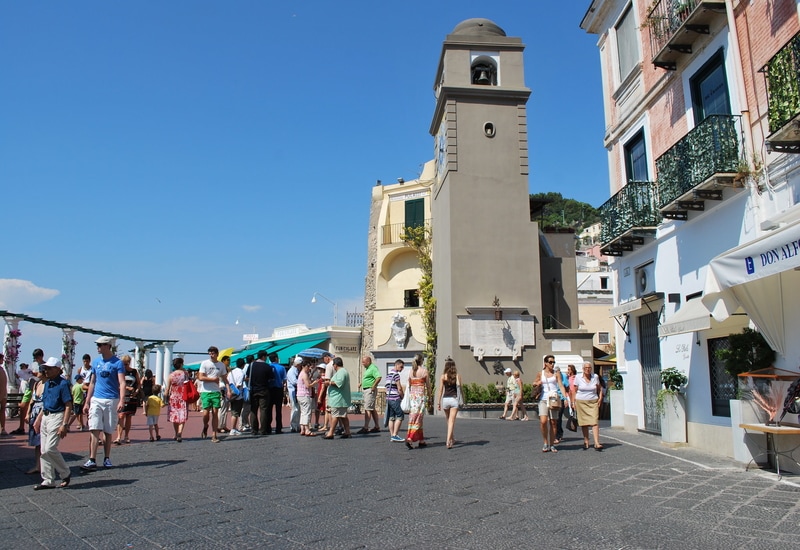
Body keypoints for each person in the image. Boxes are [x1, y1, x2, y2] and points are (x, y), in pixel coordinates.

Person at [81, 336, 126, 471]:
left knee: (108, 430)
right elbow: (92, 382)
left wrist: (122, 400)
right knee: (94, 428)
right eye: (98, 345)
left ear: (107, 346)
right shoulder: (95, 363)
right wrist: (87, 401)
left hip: (111, 399)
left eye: (100, 345)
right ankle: (92, 458)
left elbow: (122, 382)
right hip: (97, 398)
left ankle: (106, 457)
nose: (98, 347)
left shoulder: (117, 363)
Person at [33, 357, 73, 490]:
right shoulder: (48, 383)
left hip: (57, 416)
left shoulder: (63, 384)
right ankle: (48, 479)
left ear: (57, 369)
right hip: (46, 415)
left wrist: (65, 424)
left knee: (50, 448)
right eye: (46, 368)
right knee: (44, 450)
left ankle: (65, 472)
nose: (46, 370)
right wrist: (39, 419)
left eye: (49, 368)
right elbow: (45, 403)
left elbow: (68, 404)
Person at [533, 354, 568, 453]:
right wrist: (537, 383)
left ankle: (552, 444)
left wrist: (565, 398)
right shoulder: (541, 373)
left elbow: (561, 385)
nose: (552, 364)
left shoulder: (556, 373)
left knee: (553, 422)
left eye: (553, 362)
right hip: (543, 399)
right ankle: (545, 442)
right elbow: (534, 383)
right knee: (543, 421)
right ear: (545, 363)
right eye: (550, 362)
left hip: (554, 399)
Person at [571, 361, 604, 451]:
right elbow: (574, 391)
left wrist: (600, 398)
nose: (588, 369)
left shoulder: (595, 377)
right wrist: (573, 403)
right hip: (581, 401)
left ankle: (597, 443)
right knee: (584, 423)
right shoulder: (578, 377)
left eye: (589, 367)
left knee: (594, 422)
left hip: (593, 401)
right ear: (582, 369)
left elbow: (599, 388)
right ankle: (586, 441)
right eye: (586, 368)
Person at [198, 346, 228, 443]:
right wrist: (213, 379)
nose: (211, 355)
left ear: (217, 354)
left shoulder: (221, 365)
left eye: (213, 353)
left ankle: (214, 434)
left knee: (215, 413)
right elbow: (200, 377)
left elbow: (224, 378)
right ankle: (205, 425)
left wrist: (229, 389)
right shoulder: (205, 363)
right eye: (210, 353)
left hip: (216, 391)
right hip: (205, 391)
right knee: (206, 413)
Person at [24, 365, 46, 474]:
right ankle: (38, 465)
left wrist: (39, 417)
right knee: (37, 442)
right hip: (35, 411)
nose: (38, 373)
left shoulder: (48, 385)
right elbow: (32, 401)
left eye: (40, 371)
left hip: (42, 413)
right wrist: (28, 413)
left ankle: (45, 466)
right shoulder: (37, 384)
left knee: (43, 441)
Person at [115, 355, 141, 445]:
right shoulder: (120, 372)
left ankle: (126, 436)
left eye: (126, 364)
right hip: (123, 396)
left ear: (129, 363)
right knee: (121, 416)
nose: (124, 366)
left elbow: (138, 383)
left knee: (129, 416)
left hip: (131, 397)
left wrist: (136, 391)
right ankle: (118, 436)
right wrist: (126, 387)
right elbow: (117, 383)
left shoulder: (134, 371)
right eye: (123, 364)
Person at [323, 357, 352, 439]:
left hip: (338, 398)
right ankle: (347, 432)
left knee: (335, 415)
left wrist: (329, 383)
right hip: (340, 398)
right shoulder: (342, 372)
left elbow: (339, 383)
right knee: (343, 416)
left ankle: (331, 433)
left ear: (335, 365)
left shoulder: (341, 372)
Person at [437, 357, 462, 449]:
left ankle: (452, 438)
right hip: (454, 399)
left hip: (445, 399)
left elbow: (440, 390)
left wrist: (438, 402)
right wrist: (463, 399)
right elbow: (460, 388)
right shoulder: (457, 376)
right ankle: (448, 441)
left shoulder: (443, 376)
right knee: (451, 421)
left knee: (448, 420)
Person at [249, 350, 275, 436]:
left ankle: (254, 429)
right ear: (264, 357)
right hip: (263, 390)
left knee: (253, 410)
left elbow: (248, 377)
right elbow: (271, 378)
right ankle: (263, 429)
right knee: (263, 410)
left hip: (253, 390)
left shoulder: (252, 365)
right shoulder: (267, 366)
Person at [405, 353, 428, 449]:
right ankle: (410, 438)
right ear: (421, 360)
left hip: (413, 396)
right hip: (420, 395)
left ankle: (421, 440)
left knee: (413, 416)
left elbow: (409, 383)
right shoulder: (424, 371)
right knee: (419, 417)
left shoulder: (411, 371)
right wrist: (430, 395)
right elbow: (428, 384)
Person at [357, 355, 382, 434]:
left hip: (370, 390)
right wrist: (361, 383)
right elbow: (368, 378)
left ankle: (366, 427)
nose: (362, 364)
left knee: (367, 408)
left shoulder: (373, 368)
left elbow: (378, 377)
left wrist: (373, 386)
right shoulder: (368, 369)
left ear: (368, 361)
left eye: (363, 362)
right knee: (371, 408)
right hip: (366, 389)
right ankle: (377, 426)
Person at [166, 357, 188, 441]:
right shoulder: (185, 374)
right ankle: (180, 432)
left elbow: (168, 388)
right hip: (183, 396)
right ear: (181, 364)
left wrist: (165, 397)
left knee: (175, 416)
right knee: (182, 415)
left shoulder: (171, 375)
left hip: (173, 397)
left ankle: (176, 433)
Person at [384, 359, 405, 442]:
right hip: (395, 398)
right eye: (401, 367)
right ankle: (395, 435)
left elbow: (386, 387)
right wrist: (402, 396)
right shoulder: (396, 375)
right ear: (397, 365)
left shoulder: (388, 375)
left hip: (388, 398)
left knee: (391, 417)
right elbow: (399, 387)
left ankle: (392, 435)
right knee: (400, 415)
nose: (402, 369)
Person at [267, 353, 286, 434]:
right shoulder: (281, 367)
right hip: (278, 389)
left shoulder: (268, 367)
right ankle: (278, 428)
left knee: (269, 409)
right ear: (276, 358)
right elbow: (284, 379)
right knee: (278, 410)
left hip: (270, 389)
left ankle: (268, 427)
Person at [296, 358, 315, 436]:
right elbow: (308, 385)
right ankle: (307, 429)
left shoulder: (301, 373)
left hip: (299, 395)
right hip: (304, 395)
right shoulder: (304, 374)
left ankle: (302, 429)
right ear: (304, 366)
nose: (309, 368)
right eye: (308, 366)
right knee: (307, 412)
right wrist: (314, 383)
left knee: (303, 412)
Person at [227, 358, 246, 435]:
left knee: (233, 412)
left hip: (230, 394)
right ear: (243, 365)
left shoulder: (231, 372)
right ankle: (233, 429)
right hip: (237, 396)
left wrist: (230, 392)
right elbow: (239, 384)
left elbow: (228, 382)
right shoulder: (241, 373)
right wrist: (235, 392)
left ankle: (233, 428)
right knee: (235, 413)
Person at [286, 356, 302, 433]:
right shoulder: (291, 371)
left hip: (297, 392)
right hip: (293, 392)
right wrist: (302, 382)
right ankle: (293, 425)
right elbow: (294, 382)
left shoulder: (296, 370)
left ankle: (297, 425)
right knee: (295, 409)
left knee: (297, 409)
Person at [217, 355, 232, 433]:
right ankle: (219, 426)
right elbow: (223, 378)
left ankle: (224, 425)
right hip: (222, 389)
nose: (229, 361)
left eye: (229, 360)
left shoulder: (226, 368)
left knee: (225, 409)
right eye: (227, 360)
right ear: (223, 361)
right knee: (222, 409)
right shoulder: (221, 368)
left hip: (226, 389)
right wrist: (228, 373)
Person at [0, 353, 7, 436]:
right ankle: (2, 428)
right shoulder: (1, 370)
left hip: (2, 393)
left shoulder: (1, 370)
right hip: (3, 393)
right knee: (2, 410)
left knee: (2, 410)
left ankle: (2, 427)